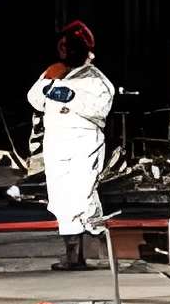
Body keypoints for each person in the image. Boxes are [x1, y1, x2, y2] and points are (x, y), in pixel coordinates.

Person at [28, 19, 115, 272]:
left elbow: (99, 110)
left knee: (81, 195)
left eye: (71, 48)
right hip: (57, 145)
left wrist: (69, 96)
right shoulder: (55, 72)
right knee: (61, 198)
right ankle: (72, 256)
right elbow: (34, 98)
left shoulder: (95, 80)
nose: (66, 52)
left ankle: (95, 251)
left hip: (83, 144)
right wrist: (48, 81)